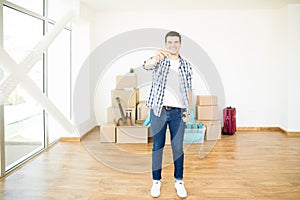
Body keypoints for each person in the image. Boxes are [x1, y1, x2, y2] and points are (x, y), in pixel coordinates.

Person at [143, 31, 193, 198]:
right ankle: (156, 181)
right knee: (158, 147)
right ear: (166, 44)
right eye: (170, 42)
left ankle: (179, 181)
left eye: (176, 42)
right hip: (159, 110)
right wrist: (154, 59)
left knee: (178, 148)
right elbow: (146, 66)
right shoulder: (159, 61)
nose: (173, 45)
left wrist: (188, 111)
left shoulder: (185, 65)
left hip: (179, 112)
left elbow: (189, 89)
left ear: (180, 44)